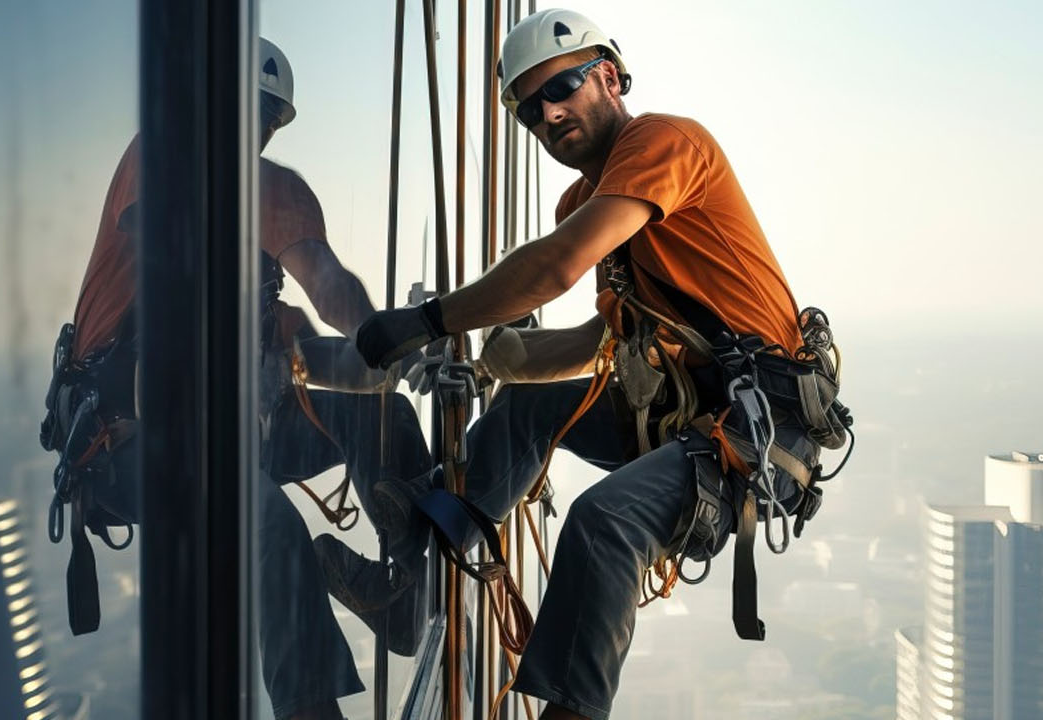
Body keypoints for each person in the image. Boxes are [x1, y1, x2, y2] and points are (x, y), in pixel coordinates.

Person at [319, 10, 845, 720]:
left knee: (605, 522)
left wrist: (429, 319)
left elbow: (558, 266)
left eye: (562, 87)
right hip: (684, 416)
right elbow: (601, 339)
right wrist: (496, 363)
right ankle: (410, 572)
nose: (550, 113)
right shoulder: (588, 200)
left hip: (756, 433)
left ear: (610, 76)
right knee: (529, 412)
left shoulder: (666, 142)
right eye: (531, 110)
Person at [41, 38, 430, 720]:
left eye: (264, 121)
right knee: (268, 526)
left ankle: (405, 598)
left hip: (236, 437)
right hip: (128, 439)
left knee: (389, 424)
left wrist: (400, 348)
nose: (247, 134)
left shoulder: (270, 217)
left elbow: (328, 290)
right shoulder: (159, 161)